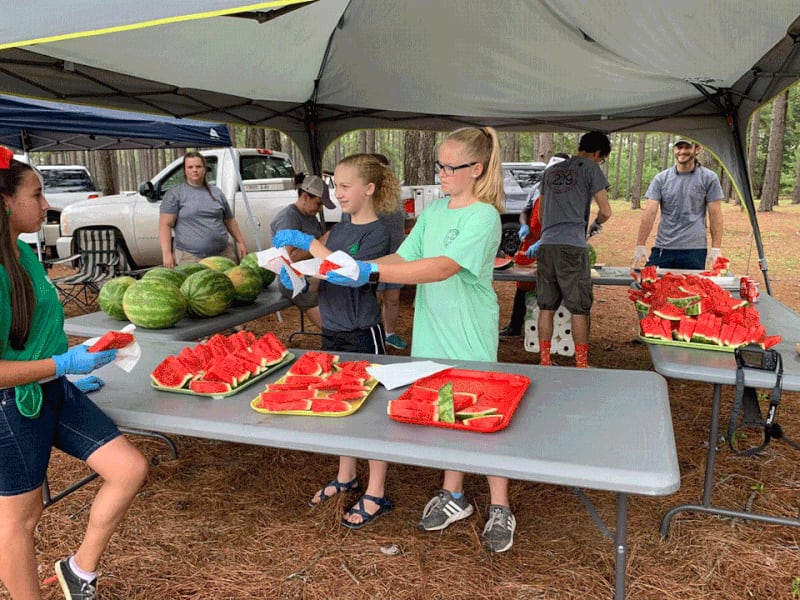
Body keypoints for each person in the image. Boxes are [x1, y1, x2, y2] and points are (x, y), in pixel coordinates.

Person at [322, 126, 517, 553]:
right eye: (439, 165)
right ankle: (455, 495)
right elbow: (406, 257)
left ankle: (500, 505)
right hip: (432, 331)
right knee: (445, 410)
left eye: (451, 167)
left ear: (476, 169)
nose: (442, 173)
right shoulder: (435, 212)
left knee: (480, 417)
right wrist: (354, 265)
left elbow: (441, 267)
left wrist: (369, 272)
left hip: (468, 332)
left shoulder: (482, 216)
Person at [0, 148, 149, 599]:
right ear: (5, 202)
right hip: (12, 406)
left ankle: (78, 570)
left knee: (129, 468)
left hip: (52, 390)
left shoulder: (24, 252)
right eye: (37, 193)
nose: (46, 204)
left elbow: (35, 331)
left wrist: (72, 361)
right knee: (19, 522)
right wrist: (63, 363)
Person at [272, 153, 400, 529]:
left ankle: (376, 491)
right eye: (334, 186)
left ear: (370, 189)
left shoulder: (377, 232)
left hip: (363, 331)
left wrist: (309, 245)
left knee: (374, 408)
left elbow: (351, 274)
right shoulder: (338, 228)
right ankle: (347, 475)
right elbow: (321, 269)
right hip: (333, 329)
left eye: (344, 187)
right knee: (338, 399)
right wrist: (292, 270)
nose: (337, 194)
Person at [536, 131, 612, 368]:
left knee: (546, 306)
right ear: (598, 153)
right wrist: (596, 224)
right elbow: (606, 211)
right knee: (579, 307)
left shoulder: (550, 172)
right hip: (572, 245)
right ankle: (581, 364)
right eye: (602, 158)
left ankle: (545, 361)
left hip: (547, 244)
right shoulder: (590, 168)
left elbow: (540, 214)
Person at [499, 153, 569, 337]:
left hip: (553, 245)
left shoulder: (569, 194)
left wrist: (545, 241)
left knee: (551, 288)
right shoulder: (538, 188)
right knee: (523, 286)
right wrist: (523, 225)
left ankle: (550, 332)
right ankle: (514, 327)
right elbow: (525, 211)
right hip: (530, 242)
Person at [632, 138, 725, 270]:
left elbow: (715, 215)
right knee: (651, 285)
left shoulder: (709, 178)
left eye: (687, 147)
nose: (682, 151)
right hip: (663, 247)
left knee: (691, 289)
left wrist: (716, 248)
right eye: (679, 147)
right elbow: (650, 212)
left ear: (697, 149)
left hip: (694, 250)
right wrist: (640, 244)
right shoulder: (661, 178)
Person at [269, 173, 336, 330]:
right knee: (310, 292)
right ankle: (334, 334)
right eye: (318, 204)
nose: (320, 209)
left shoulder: (309, 216)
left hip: (313, 272)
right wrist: (320, 243)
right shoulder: (288, 218)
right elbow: (290, 257)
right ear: (305, 197)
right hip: (293, 278)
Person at [159, 151, 247, 267]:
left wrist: (241, 242)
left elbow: (229, 220)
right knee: (196, 285)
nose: (194, 170)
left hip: (223, 254)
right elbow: (165, 225)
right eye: (190, 167)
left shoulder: (217, 192)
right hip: (190, 257)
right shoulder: (175, 194)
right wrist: (167, 253)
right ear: (185, 171)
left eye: (198, 166)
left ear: (205, 169)